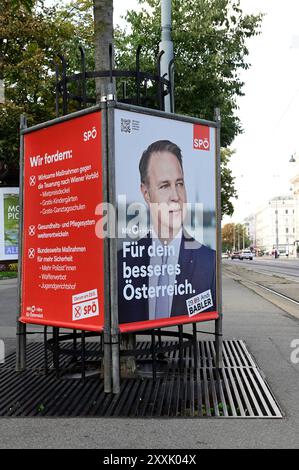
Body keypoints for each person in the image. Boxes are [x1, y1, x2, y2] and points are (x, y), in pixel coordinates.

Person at [118, 140, 216, 324]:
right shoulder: (122, 262)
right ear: (146, 193)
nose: (176, 196)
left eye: (179, 183)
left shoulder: (209, 263)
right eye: (164, 186)